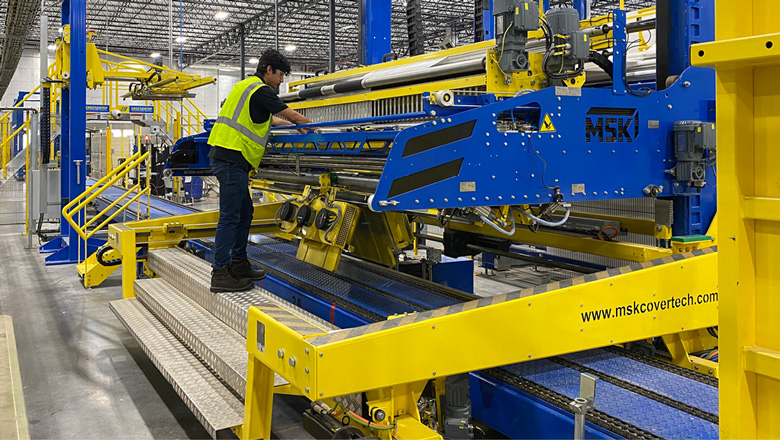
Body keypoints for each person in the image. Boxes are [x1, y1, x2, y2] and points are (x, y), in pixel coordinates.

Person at [207, 48, 313, 293]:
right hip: (231, 159)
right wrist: (318, 130)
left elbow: (273, 120)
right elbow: (293, 115)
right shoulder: (261, 90)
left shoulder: (244, 87)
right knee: (230, 217)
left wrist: (292, 127)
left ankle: (238, 263)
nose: (282, 80)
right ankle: (220, 273)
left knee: (245, 213)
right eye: (280, 75)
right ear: (269, 70)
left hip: (230, 158)